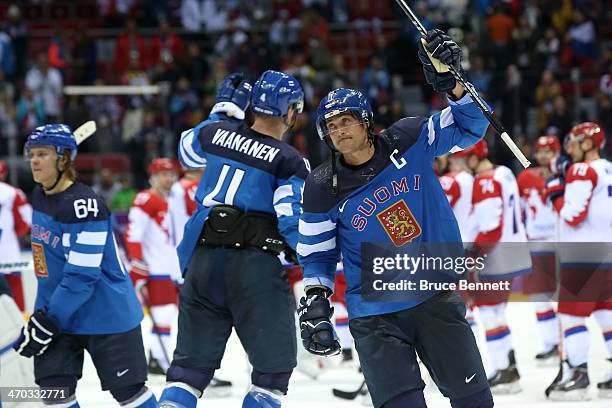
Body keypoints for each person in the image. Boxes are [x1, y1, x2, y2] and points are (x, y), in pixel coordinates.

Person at [296, 30, 494, 408]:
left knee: (475, 402)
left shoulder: (409, 137)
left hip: (434, 297)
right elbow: (316, 255)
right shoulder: (321, 185)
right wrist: (317, 297)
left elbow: (472, 126)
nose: (338, 130)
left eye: (346, 121)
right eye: (331, 125)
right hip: (375, 317)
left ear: (366, 122)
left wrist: (453, 85)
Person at [158, 70, 309, 408]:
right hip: (254, 269)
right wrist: (314, 264)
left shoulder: (215, 133)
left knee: (187, 373)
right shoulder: (290, 160)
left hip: (202, 262)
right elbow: (291, 220)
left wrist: (222, 111)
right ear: (290, 112)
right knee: (271, 379)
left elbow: (187, 154)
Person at [13, 124, 156, 407]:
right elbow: (47, 266)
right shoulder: (41, 195)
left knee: (129, 393)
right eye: (32, 154)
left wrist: (47, 320)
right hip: (60, 313)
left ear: (63, 158)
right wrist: (42, 315)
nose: (34, 161)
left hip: (106, 313)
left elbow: (81, 277)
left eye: (42, 154)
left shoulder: (85, 206)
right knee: (54, 392)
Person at [544, 122, 612, 400]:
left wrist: (554, 192)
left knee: (570, 315)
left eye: (575, 141)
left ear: (588, 144)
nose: (570, 146)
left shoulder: (582, 170)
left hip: (583, 257)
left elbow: (572, 215)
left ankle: (578, 375)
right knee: (606, 314)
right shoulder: (607, 167)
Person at [461, 139, 532, 394]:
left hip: (496, 257)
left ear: (475, 156)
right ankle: (509, 366)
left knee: (490, 314)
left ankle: (504, 370)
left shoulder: (484, 181)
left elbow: (490, 228)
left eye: (466, 157)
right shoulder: (505, 172)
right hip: (515, 252)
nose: (464, 163)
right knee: (498, 313)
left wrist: (473, 253)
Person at [124, 157, 181, 375]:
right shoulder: (146, 199)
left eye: (170, 174)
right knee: (163, 314)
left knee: (166, 315)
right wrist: (138, 266)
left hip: (168, 268)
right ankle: (157, 358)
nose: (167, 179)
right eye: (162, 175)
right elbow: (133, 234)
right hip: (154, 268)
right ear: (152, 178)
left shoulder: (172, 200)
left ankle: (157, 358)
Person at [516, 135, 561, 365]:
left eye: (549, 151)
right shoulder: (524, 177)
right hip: (534, 243)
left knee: (563, 298)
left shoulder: (564, 174)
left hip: (559, 242)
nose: (544, 155)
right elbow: (519, 211)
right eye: (541, 150)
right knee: (539, 297)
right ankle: (551, 344)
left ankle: (565, 342)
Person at [0, 159, 32, 312]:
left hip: (8, 251)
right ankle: (21, 324)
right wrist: (16, 234)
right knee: (15, 291)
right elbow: (26, 220)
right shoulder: (13, 193)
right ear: (4, 173)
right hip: (8, 252)